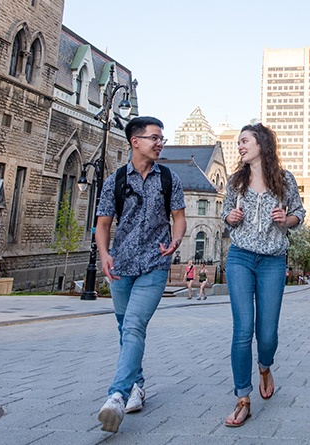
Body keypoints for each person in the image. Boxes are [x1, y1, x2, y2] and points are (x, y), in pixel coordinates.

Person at [95, 116, 187, 433]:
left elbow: (179, 219)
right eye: (154, 138)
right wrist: (105, 255)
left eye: (162, 138)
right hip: (120, 266)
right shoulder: (115, 181)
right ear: (136, 142)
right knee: (125, 329)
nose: (160, 142)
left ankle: (116, 396)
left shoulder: (169, 179)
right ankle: (137, 385)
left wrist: (175, 242)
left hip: (153, 263)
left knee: (134, 325)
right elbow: (103, 224)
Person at [221, 123, 305, 427]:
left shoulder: (284, 180)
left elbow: (299, 213)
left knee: (267, 333)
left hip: (272, 261)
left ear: (261, 145)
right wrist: (230, 217)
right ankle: (243, 398)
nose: (240, 146)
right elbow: (226, 216)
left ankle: (265, 366)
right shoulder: (235, 182)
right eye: (238, 143)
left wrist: (287, 218)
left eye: (244, 141)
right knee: (243, 330)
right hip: (240, 258)